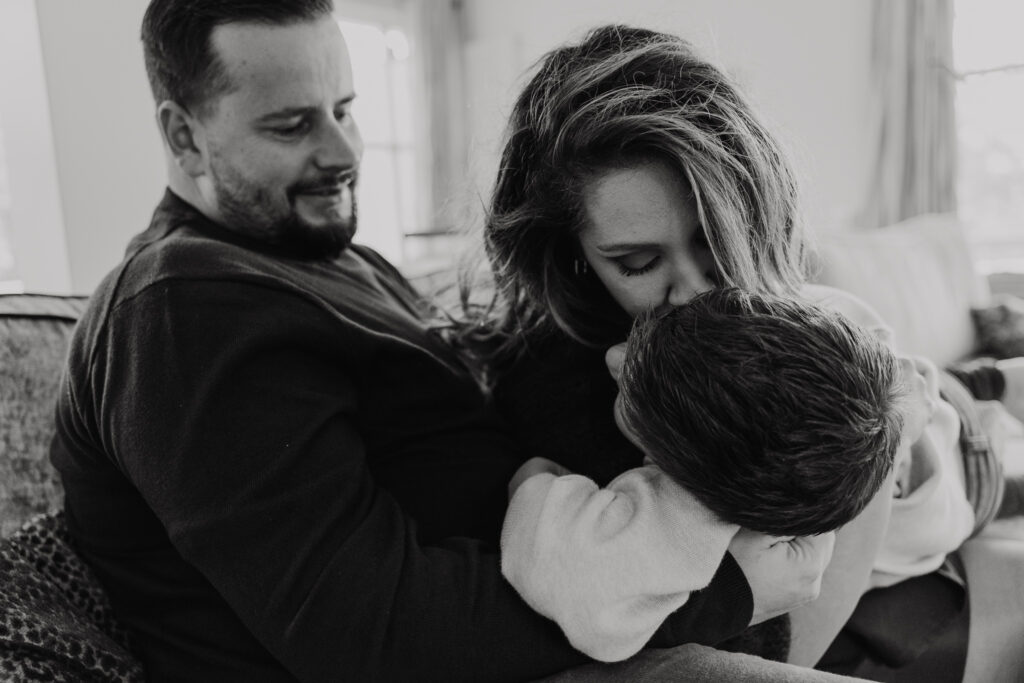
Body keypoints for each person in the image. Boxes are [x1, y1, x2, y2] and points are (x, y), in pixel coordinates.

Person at [48, 3, 839, 682]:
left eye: (345, 108)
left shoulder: (332, 263)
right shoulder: (179, 306)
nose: (344, 152)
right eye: (292, 125)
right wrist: (724, 593)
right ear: (183, 137)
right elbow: (369, 633)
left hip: (575, 618)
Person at [468, 23, 895, 667]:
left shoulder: (803, 322)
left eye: (714, 243)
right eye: (638, 263)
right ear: (574, 258)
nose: (695, 292)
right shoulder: (563, 392)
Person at [501, 287, 908, 663]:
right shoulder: (783, 462)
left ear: (676, 460)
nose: (614, 356)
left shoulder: (670, 519)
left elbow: (566, 573)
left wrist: (538, 482)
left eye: (632, 380)